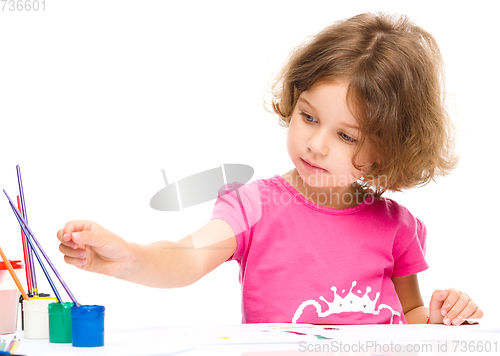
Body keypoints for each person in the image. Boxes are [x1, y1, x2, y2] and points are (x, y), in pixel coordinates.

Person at [57, 12, 483, 325]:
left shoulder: (396, 226)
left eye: (346, 136)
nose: (315, 145)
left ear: (387, 151)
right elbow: (187, 257)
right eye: (309, 116)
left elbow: (409, 314)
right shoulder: (254, 205)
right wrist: (130, 257)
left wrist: (443, 316)